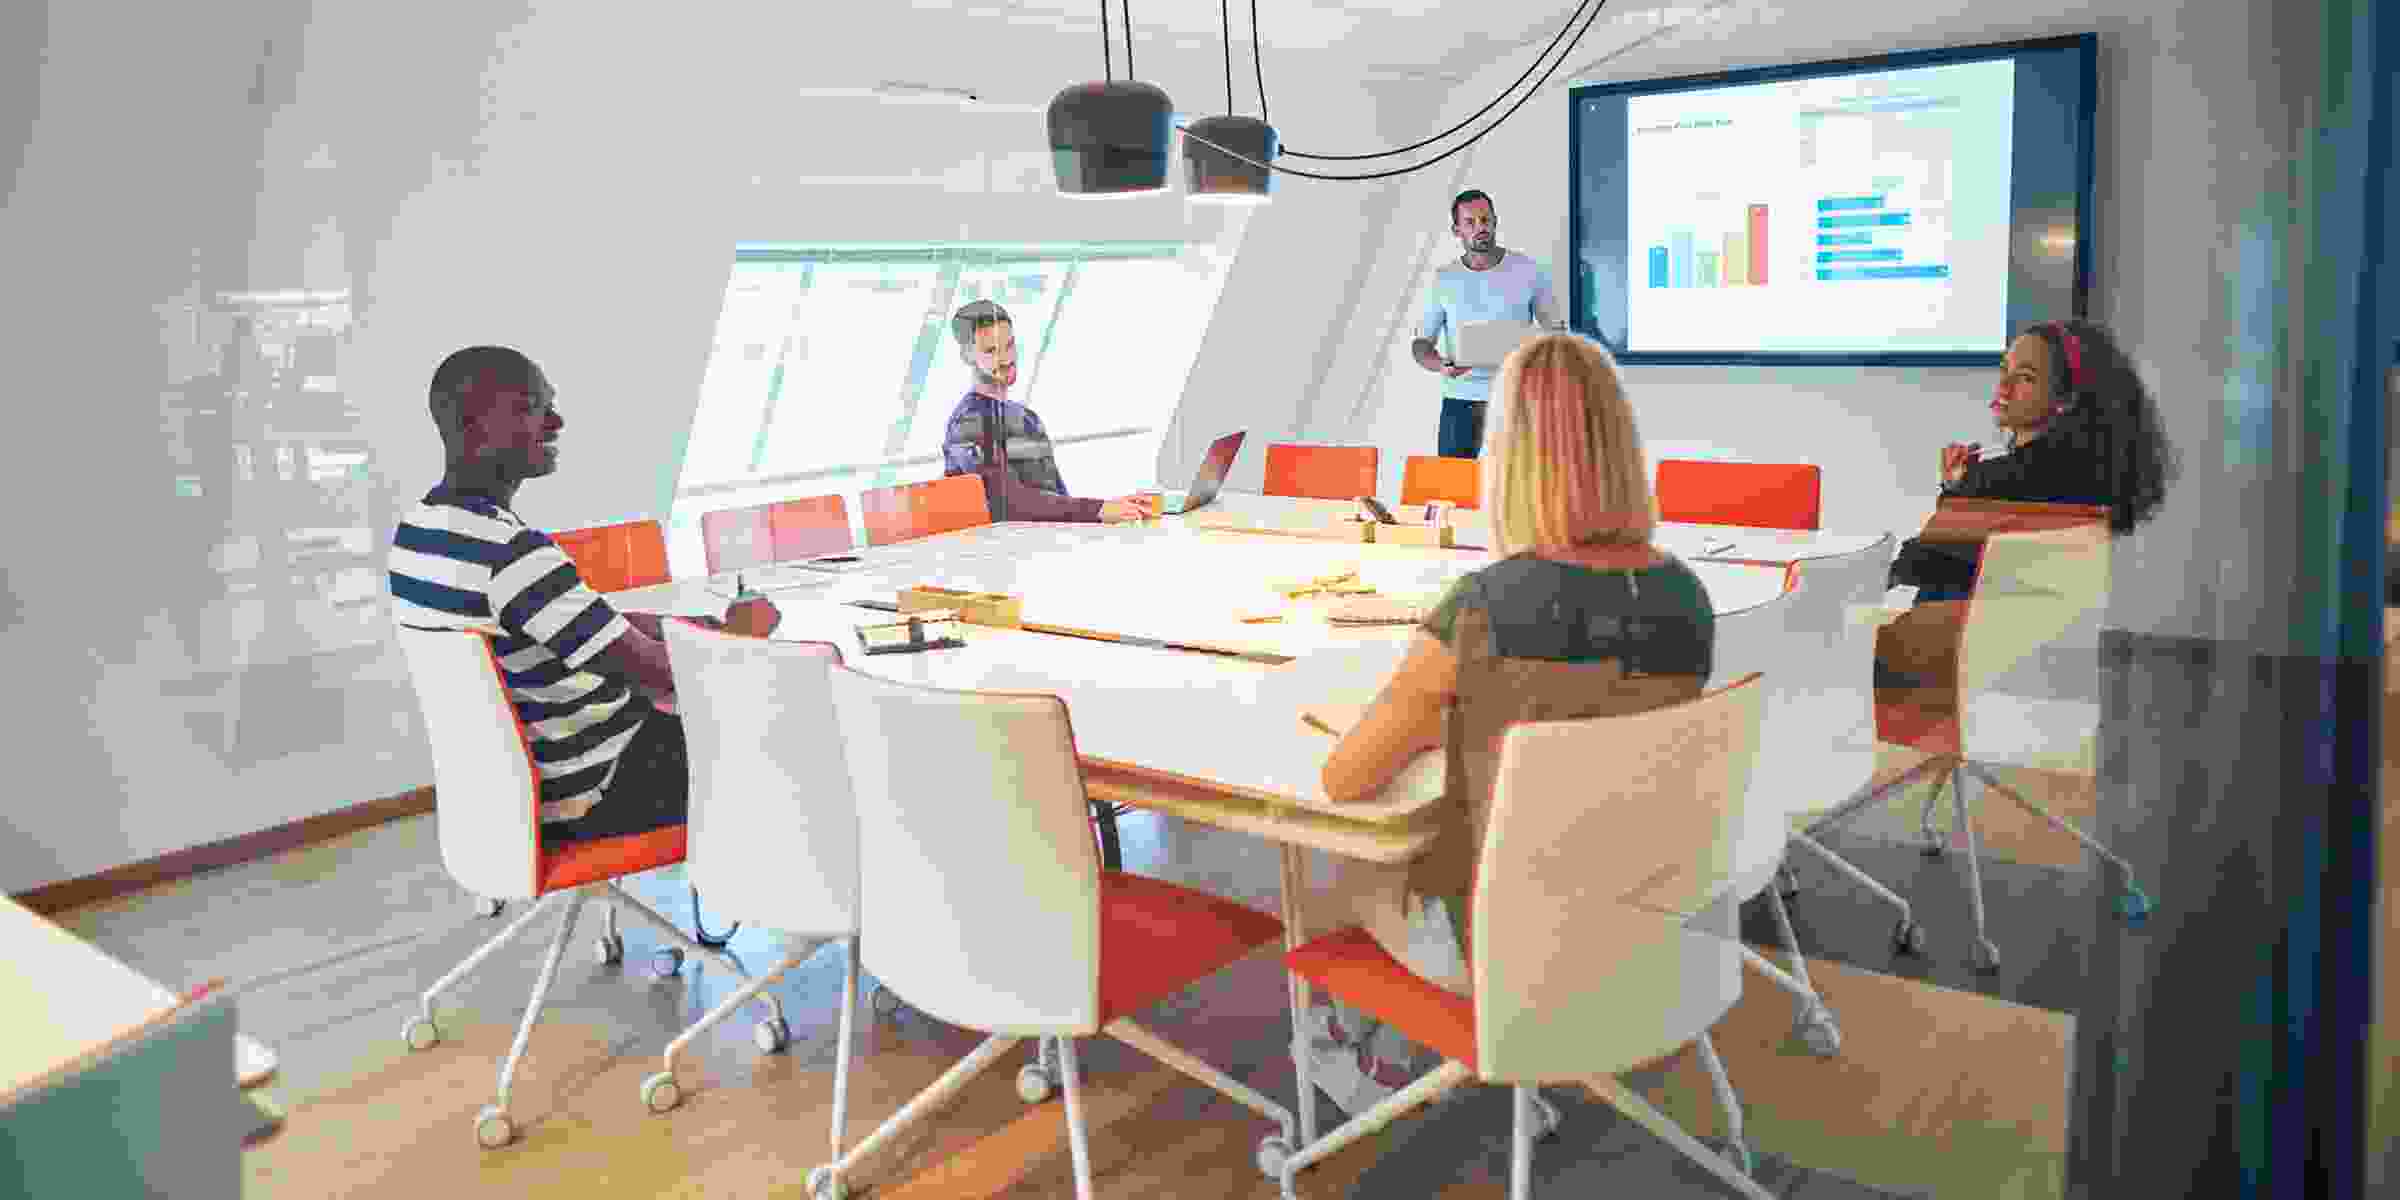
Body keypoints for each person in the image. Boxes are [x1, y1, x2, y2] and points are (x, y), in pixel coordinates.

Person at [1298, 332, 1716, 1116]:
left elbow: (1344, 778)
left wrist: (1432, 724)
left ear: (1509, 459)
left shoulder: (1483, 605)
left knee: (1334, 864)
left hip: (1504, 948)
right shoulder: (1688, 596)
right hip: (1651, 920)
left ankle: (1347, 1058)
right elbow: (1595, 704)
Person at [388, 346, 780, 845]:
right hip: (599, 792)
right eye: (533, 407)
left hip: (515, 795)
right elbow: (662, 674)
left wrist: (654, 627)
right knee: (790, 734)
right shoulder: (511, 552)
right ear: (473, 423)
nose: (556, 422)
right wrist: (744, 632)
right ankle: (787, 882)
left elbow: (549, 624)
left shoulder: (420, 530)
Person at [1876, 319, 2174, 699]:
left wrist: (1955, 490)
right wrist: (1959, 489)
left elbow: (1921, 562)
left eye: (2026, 378)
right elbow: (1964, 556)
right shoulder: (2088, 480)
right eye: (2004, 371)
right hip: (2030, 674)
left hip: (1938, 668)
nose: (2003, 388)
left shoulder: (1994, 480)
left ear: (2066, 398)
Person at [940, 300, 1155, 524]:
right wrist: (1099, 509)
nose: (1006, 359)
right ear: (967, 356)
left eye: (1009, 345)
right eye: (991, 350)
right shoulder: (968, 422)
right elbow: (1010, 502)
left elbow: (1056, 500)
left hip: (1045, 540)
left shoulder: (1027, 418)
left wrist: (1116, 507)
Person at [1410, 190, 1566, 460]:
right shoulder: (1444, 278)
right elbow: (1421, 344)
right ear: (1456, 230)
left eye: (1485, 220)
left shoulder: (1528, 270)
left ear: (1495, 221)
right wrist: (1441, 365)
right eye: (1470, 222)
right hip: (1460, 401)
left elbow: (1557, 333)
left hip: (1516, 398)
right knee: (1453, 482)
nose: (1480, 227)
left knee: (1517, 482)